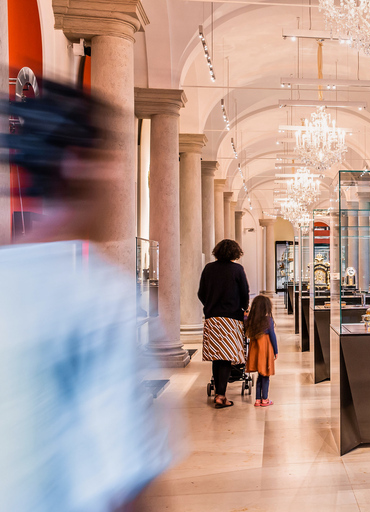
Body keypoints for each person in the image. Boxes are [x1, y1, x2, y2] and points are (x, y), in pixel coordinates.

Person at [0, 81, 172, 511]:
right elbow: (126, 474)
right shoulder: (97, 296)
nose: (117, 175)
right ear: (77, 163)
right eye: (108, 159)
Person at [198, 239, 250, 408]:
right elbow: (244, 292)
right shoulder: (237, 269)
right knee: (226, 357)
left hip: (213, 318)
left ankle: (219, 393)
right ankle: (221, 395)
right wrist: (243, 308)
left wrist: (210, 304)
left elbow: (201, 293)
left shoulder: (209, 268)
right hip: (231, 318)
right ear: (236, 253)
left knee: (216, 357)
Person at [244, 295, 278, 407]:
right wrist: (276, 350)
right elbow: (272, 336)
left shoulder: (252, 321)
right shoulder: (268, 320)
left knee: (260, 374)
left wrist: (246, 312)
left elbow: (244, 319)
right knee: (266, 375)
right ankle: (265, 399)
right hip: (265, 348)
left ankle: (257, 399)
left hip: (255, 349)